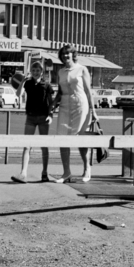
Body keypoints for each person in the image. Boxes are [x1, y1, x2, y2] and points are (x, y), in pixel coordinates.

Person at [56, 44, 98, 183]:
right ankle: (66, 172)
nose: (65, 56)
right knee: (62, 138)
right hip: (64, 105)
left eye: (67, 54)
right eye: (63, 54)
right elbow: (59, 92)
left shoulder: (82, 69)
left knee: (81, 137)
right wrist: (51, 108)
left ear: (73, 55)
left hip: (80, 104)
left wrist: (93, 111)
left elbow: (88, 91)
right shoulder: (61, 72)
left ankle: (87, 168)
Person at [12, 60, 58, 183]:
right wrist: (22, 80)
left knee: (44, 146)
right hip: (30, 117)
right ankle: (23, 173)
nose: (36, 72)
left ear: (42, 72)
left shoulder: (47, 85)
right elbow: (19, 94)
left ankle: (44, 172)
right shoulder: (28, 83)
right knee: (27, 145)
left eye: (38, 70)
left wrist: (50, 115)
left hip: (43, 118)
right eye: (33, 70)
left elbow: (51, 102)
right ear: (31, 72)